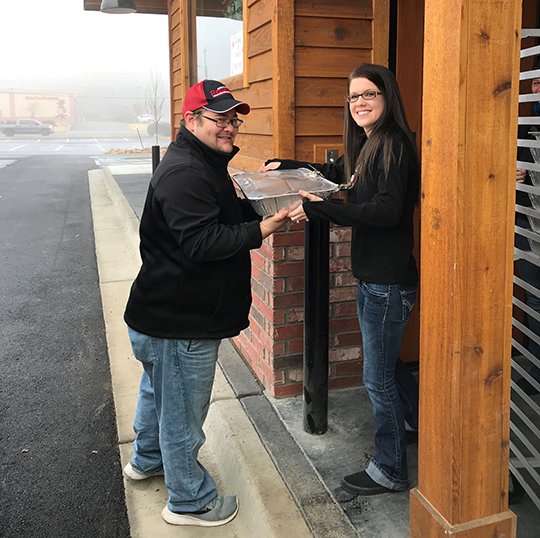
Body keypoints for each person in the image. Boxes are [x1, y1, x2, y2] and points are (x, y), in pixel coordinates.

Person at [123, 79, 289, 527]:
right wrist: (265, 227)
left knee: (159, 392)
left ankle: (146, 459)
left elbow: (219, 215)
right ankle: (189, 501)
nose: (230, 127)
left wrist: (257, 203)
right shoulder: (185, 172)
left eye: (234, 118)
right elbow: (202, 241)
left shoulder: (203, 162)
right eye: (220, 118)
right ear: (191, 119)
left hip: (164, 316)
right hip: (180, 321)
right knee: (182, 414)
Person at [263, 63, 420, 495]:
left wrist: (320, 210)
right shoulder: (370, 146)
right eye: (353, 97)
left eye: (369, 94)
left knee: (377, 378)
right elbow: (339, 178)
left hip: (388, 283)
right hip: (375, 279)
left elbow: (386, 212)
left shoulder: (395, 146)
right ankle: (413, 420)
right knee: (388, 369)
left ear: (388, 98)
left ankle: (390, 470)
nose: (360, 103)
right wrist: (291, 164)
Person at [514, 63, 540, 397]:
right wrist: (515, 176)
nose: (537, 89)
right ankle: (536, 365)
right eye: (535, 83)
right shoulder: (523, 127)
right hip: (528, 225)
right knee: (533, 297)